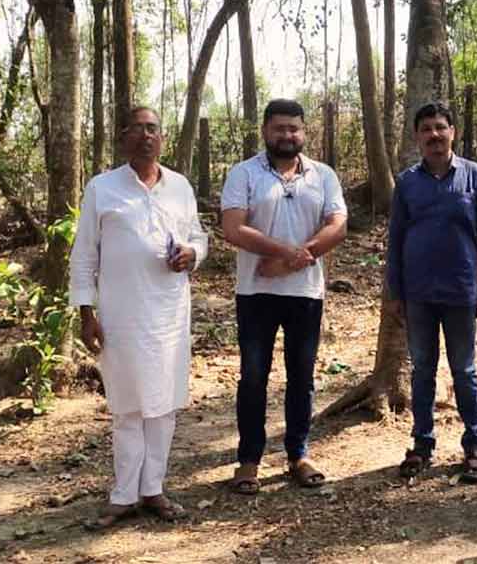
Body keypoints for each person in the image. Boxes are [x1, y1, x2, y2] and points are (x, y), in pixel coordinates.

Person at [70, 106, 208, 528]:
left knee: (163, 406)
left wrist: (193, 254)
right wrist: (86, 314)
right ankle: (123, 494)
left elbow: (199, 235)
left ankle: (154, 490)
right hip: (121, 314)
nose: (147, 136)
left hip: (168, 313)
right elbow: (83, 256)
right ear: (123, 137)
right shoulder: (102, 188)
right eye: (138, 129)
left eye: (153, 129)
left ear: (161, 138)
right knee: (127, 404)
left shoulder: (180, 186)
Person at [221, 99, 347, 494]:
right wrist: (285, 253)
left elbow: (338, 225)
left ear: (303, 132)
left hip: (306, 293)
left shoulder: (322, 175)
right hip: (256, 292)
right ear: (265, 130)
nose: (287, 135)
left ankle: (299, 453)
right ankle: (249, 460)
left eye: (294, 128)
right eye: (279, 128)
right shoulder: (243, 174)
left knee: (302, 376)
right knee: (253, 377)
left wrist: (296, 258)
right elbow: (233, 229)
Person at [385, 102, 477, 483]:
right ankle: (422, 443)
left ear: (453, 132)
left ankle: (474, 446)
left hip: (461, 292)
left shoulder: (476, 178)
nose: (434, 135)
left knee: (464, 370)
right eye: (426, 129)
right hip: (418, 294)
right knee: (422, 371)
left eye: (440, 127)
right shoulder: (407, 183)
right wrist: (395, 292)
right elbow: (396, 239)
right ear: (417, 136)